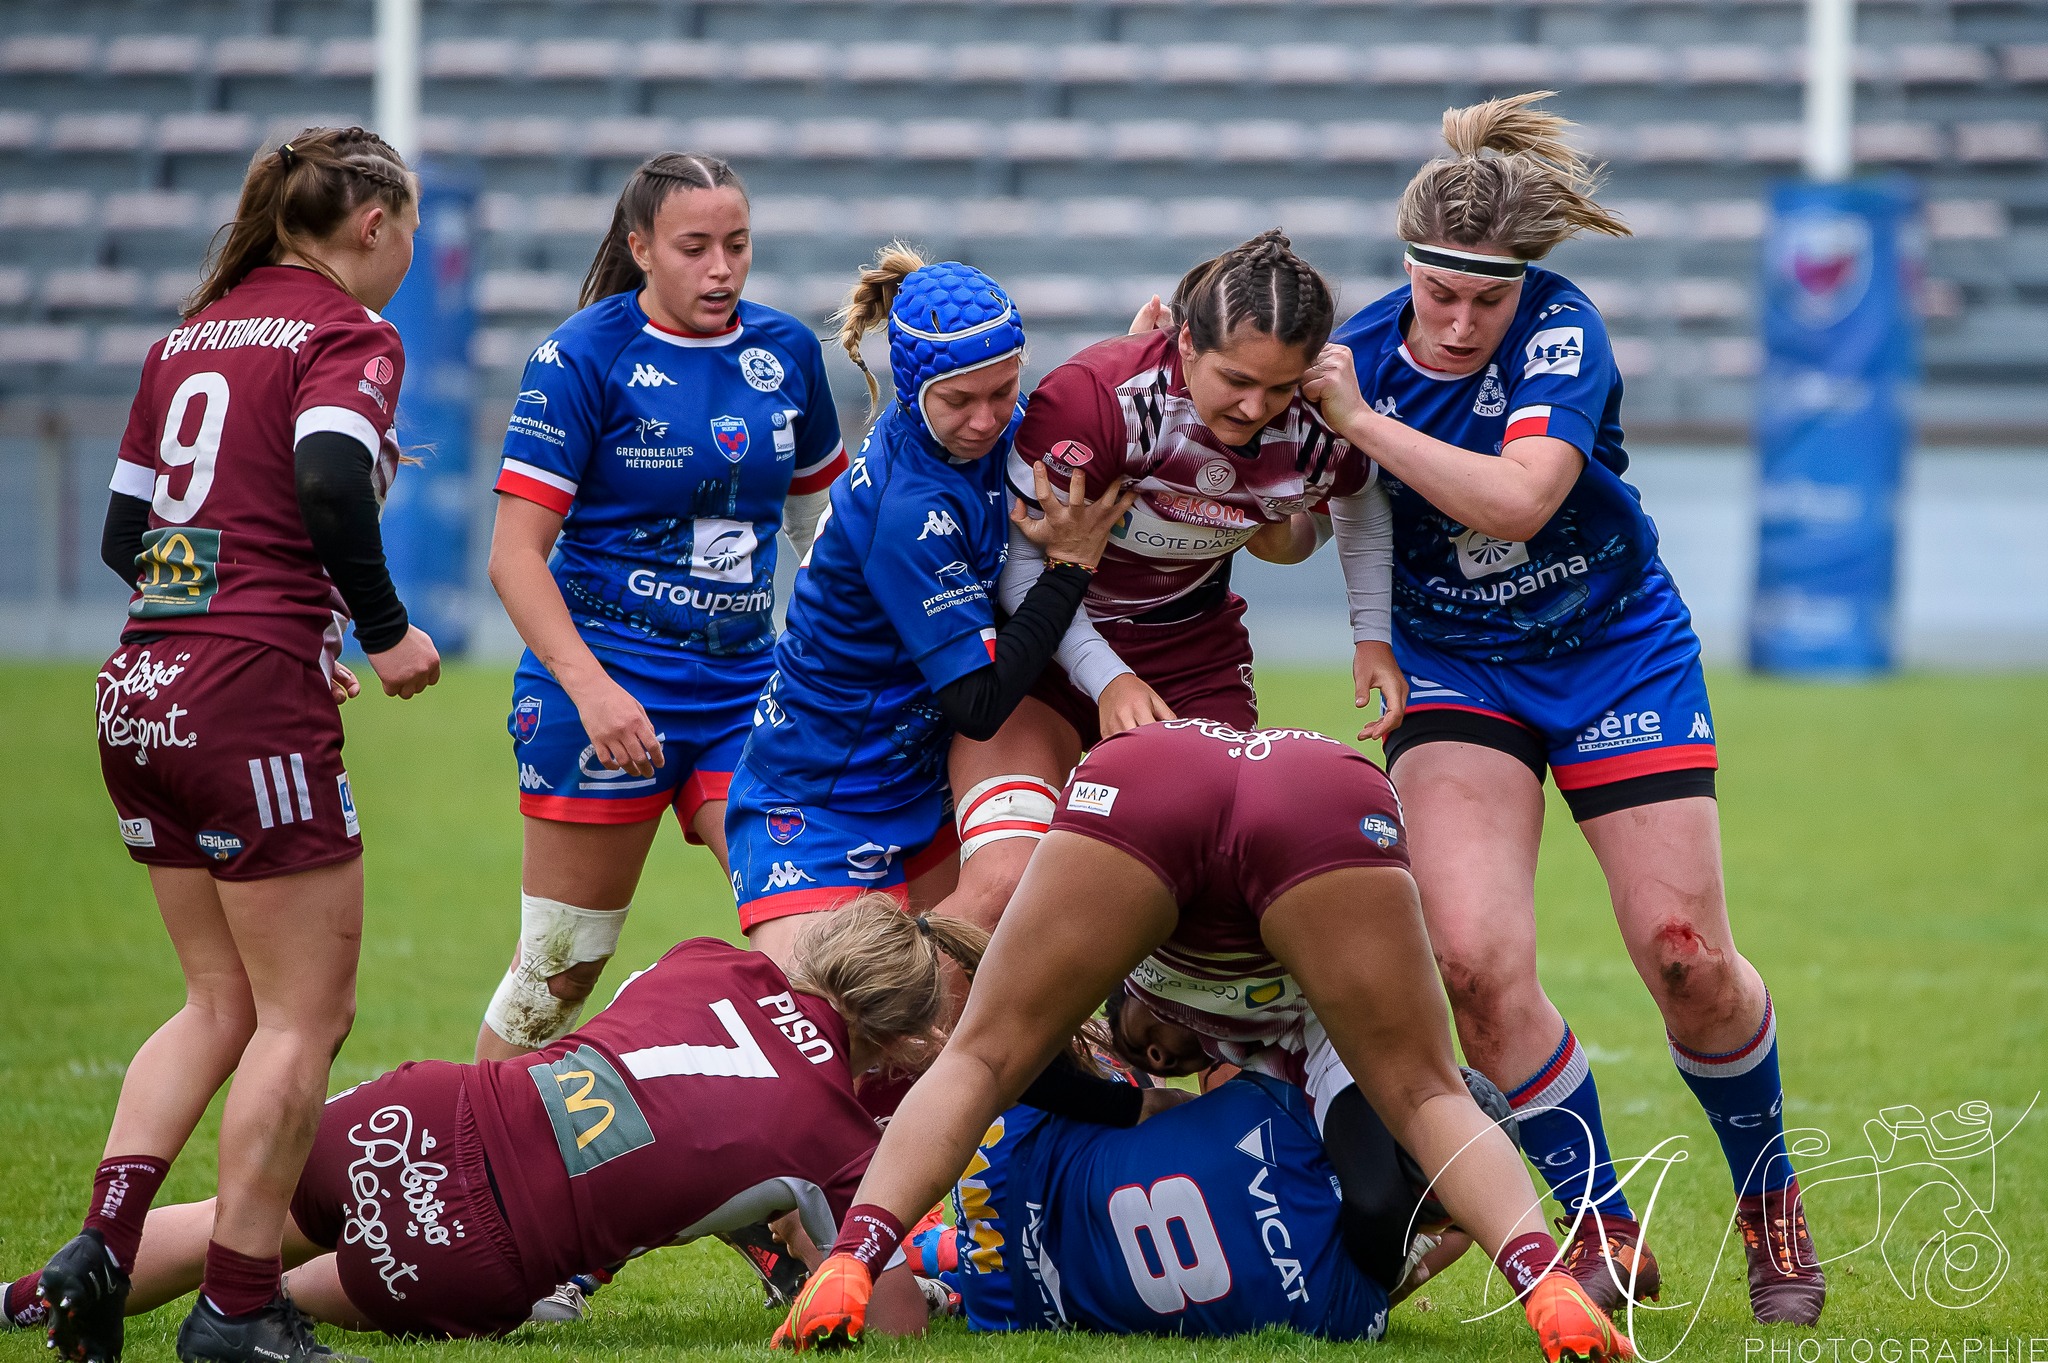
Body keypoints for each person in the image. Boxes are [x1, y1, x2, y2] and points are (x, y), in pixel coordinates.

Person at [1306, 91, 1823, 1325]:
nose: (1464, 318)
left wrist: (1362, 422)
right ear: (1410, 268)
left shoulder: (1559, 335)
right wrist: (1374, 639)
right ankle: (1594, 1215)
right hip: (1458, 668)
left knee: (1684, 962)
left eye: (1489, 296)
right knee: (1473, 966)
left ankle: (1768, 1198)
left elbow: (1521, 502)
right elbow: (1351, 503)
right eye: (1443, 295)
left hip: (1611, 654)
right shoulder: (1365, 347)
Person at [770, 719, 1635, 1362]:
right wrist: (1534, 1268)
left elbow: (984, 1062)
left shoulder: (1244, 1045)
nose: (1160, 1057)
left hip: (1160, 782)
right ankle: (1546, 1282)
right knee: (1419, 1112)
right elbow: (1427, 1099)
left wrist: (860, 1251)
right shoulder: (1238, 1059)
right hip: (1317, 791)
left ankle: (854, 1260)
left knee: (986, 1057)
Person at [41, 126, 442, 1363]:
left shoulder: (188, 335)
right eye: (408, 229)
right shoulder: (347, 335)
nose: (410, 253)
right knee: (300, 1020)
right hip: (241, 696)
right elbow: (329, 474)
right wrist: (374, 628)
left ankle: (103, 1245)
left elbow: (124, 533)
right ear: (371, 224)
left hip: (144, 680)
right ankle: (235, 1304)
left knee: (217, 998)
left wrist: (239, 615)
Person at [5, 904, 983, 1345]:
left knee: (234, 1229)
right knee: (276, 1300)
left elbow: (675, 1104)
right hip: (479, 1247)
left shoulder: (703, 957)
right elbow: (885, 1321)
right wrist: (927, 1296)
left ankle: (23, 1299)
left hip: (426, 1106)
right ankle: (247, 1316)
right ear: (894, 1043)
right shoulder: (843, 1140)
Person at [475, 153, 846, 1062]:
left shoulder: (788, 354)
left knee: (819, 948)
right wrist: (595, 692)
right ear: (641, 248)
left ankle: (813, 1185)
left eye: (738, 245)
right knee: (558, 972)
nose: (721, 268)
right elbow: (514, 559)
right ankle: (468, 1163)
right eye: (694, 248)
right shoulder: (580, 358)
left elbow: (824, 534)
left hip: (746, 699)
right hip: (602, 691)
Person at [942, 229, 1404, 931]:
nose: (1257, 408)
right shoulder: (1095, 399)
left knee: (1207, 895)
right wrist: (1109, 679)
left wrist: (1371, 636)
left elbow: (1360, 497)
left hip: (1192, 658)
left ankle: (1131, 1041)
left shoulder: (1320, 414)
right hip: (1042, 660)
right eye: (1238, 381)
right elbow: (1021, 567)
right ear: (1186, 343)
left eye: (1280, 386)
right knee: (1004, 882)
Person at [725, 245, 1136, 964]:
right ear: (914, 388)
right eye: (959, 400)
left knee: (962, 1007)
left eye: (1003, 391)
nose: (986, 419)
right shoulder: (907, 508)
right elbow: (978, 703)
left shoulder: (998, 438)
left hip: (917, 785)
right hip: (818, 801)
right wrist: (1069, 568)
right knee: (831, 1040)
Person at [920, 1055, 1517, 1339]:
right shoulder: (1343, 1311)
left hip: (1002, 1142)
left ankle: (925, 1246)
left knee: (1151, 1097)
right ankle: (949, 1269)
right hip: (1012, 1305)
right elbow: (1431, 1253)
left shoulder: (1282, 1105)